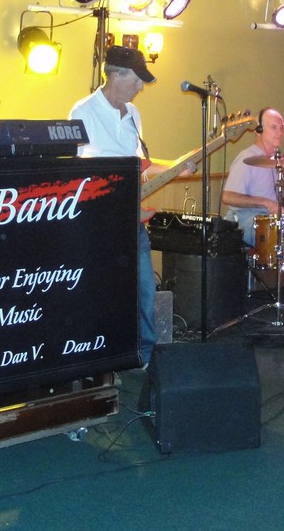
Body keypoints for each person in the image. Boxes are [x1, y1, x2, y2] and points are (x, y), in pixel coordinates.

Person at [69, 45, 190, 367]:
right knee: (101, 291)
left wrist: (175, 166)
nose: (140, 88)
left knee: (144, 291)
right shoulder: (83, 112)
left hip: (131, 220)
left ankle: (145, 357)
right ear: (116, 75)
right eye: (137, 80)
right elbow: (78, 171)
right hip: (98, 221)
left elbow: (140, 164)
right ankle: (101, 354)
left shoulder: (134, 114)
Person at [221, 107, 284, 313]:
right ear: (259, 130)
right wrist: (263, 202)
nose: (279, 132)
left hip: (267, 218)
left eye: (281, 128)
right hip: (243, 221)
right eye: (273, 127)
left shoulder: (272, 161)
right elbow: (227, 196)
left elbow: (273, 194)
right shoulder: (247, 158)